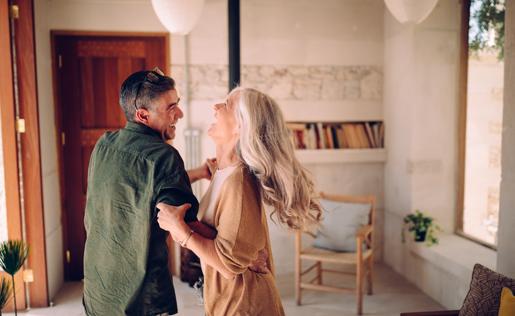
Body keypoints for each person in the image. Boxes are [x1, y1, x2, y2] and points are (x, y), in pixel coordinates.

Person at [82, 68, 266, 316]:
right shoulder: (165, 157)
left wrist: (199, 173)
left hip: (97, 289)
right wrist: (241, 254)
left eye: (177, 103)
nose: (179, 113)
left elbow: (143, 186)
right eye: (171, 108)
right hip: (138, 297)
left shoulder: (104, 144)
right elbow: (183, 222)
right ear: (143, 115)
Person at [156, 87, 323, 316]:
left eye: (226, 105)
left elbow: (227, 266)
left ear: (241, 126)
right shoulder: (222, 172)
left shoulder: (238, 181)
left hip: (243, 305)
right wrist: (246, 255)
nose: (216, 108)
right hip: (229, 301)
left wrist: (182, 231)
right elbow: (226, 241)